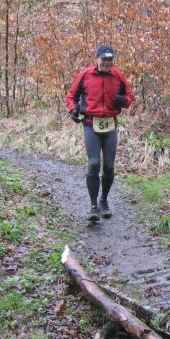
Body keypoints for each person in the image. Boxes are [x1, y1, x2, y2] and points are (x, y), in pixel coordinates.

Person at [66, 44, 134, 223]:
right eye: (104, 59)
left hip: (110, 125)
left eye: (110, 60)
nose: (107, 63)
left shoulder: (118, 76)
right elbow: (71, 96)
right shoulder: (85, 75)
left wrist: (124, 101)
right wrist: (73, 110)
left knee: (109, 166)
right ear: (97, 58)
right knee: (94, 163)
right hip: (91, 124)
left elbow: (130, 97)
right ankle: (93, 206)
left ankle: (103, 200)